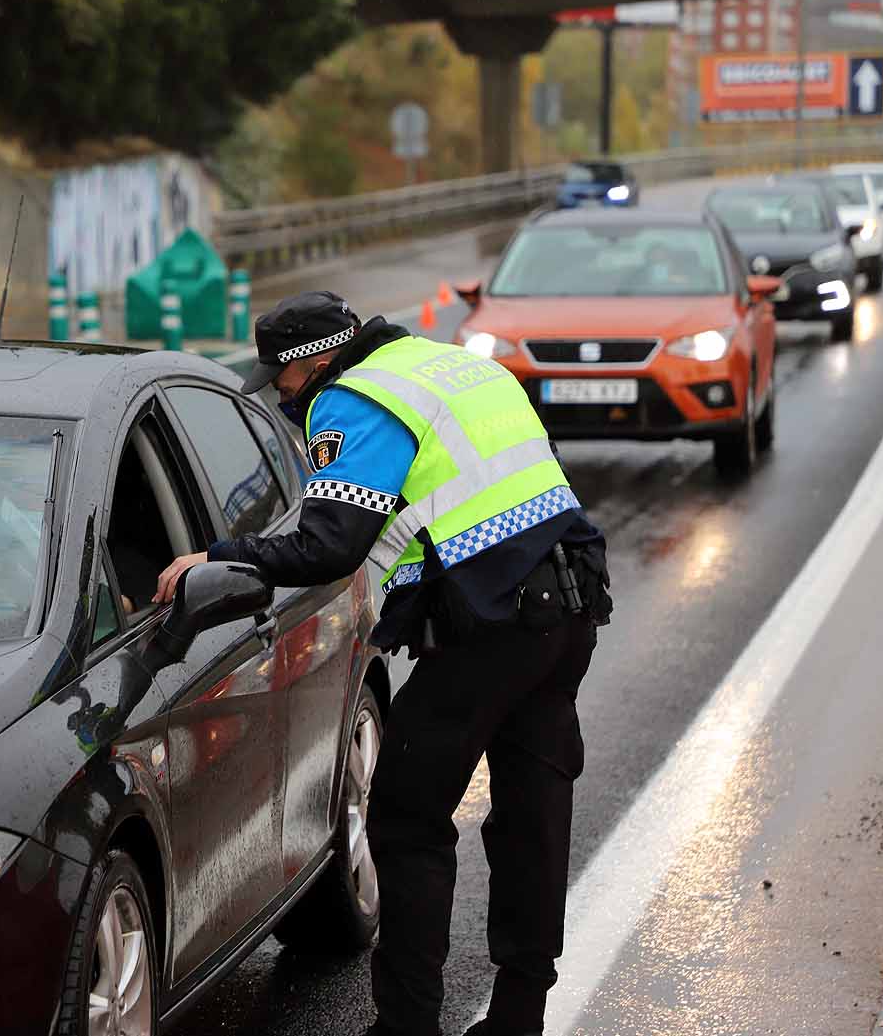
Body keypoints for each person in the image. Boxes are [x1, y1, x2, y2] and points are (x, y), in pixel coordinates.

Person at [155, 291, 612, 1036]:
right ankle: (520, 1016)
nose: (281, 394)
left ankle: (406, 1024)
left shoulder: (356, 398)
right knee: (535, 812)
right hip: (566, 609)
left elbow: (328, 542)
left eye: (283, 380)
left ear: (318, 361)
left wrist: (221, 555)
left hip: (490, 626)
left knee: (403, 816)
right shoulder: (450, 366)